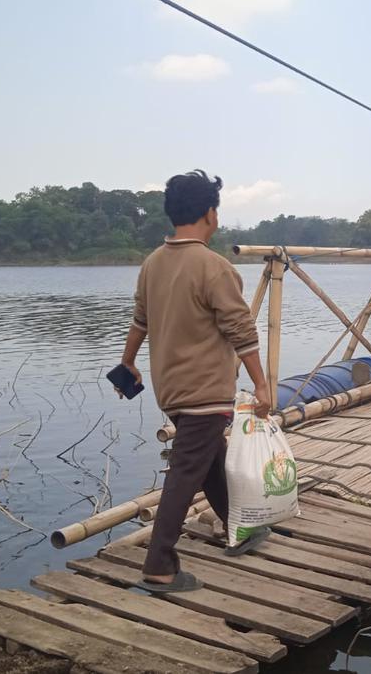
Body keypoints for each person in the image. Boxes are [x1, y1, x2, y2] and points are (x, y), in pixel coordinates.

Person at [118, 170, 271, 593]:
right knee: (186, 471)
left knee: (208, 461)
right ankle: (159, 564)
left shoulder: (152, 263)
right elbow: (241, 331)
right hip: (205, 390)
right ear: (210, 214)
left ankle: (240, 528)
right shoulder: (214, 267)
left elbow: (139, 321)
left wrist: (128, 363)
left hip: (172, 389)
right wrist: (262, 386)